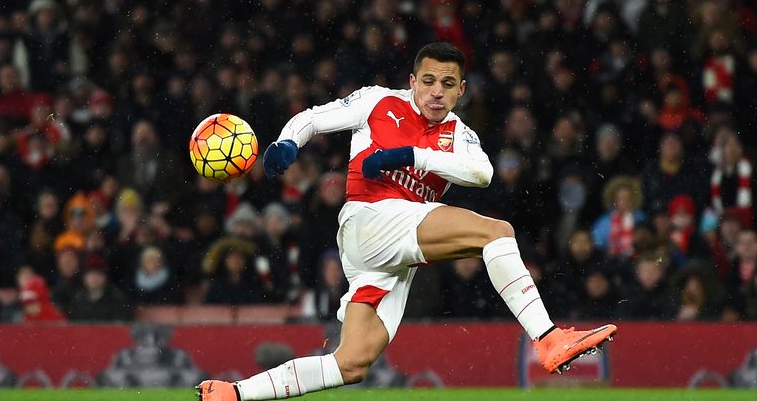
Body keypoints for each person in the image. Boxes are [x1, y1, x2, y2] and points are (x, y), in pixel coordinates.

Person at [197, 42, 617, 401]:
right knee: (497, 233)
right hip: (369, 218)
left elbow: (483, 173)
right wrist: (287, 140)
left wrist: (410, 156)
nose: (437, 92)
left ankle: (234, 393)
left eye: (448, 84)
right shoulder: (378, 100)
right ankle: (548, 338)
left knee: (351, 363)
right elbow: (313, 117)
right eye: (429, 81)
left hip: (392, 251)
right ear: (412, 80)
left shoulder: (461, 135)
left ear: (461, 90)